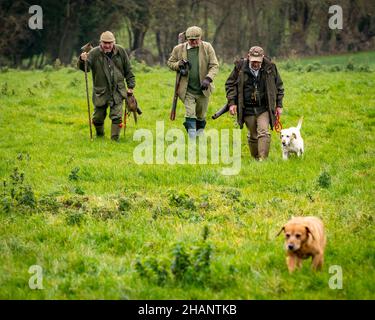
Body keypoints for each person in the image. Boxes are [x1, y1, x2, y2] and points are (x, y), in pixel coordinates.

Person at [225, 46, 284, 160]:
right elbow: (230, 84)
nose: (255, 64)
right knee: (253, 135)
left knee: (263, 132)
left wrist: (279, 105)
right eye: (253, 61)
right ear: (248, 57)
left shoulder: (270, 67)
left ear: (262, 57)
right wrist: (232, 103)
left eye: (258, 61)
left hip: (264, 107)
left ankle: (263, 160)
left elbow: (279, 86)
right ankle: (256, 158)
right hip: (247, 108)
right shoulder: (240, 67)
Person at [78, 31, 135, 141]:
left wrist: (131, 86)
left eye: (110, 43)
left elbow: (128, 70)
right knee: (97, 118)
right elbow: (86, 68)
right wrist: (82, 60)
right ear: (101, 42)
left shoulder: (121, 51)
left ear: (114, 42)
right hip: (101, 91)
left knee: (117, 117)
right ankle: (100, 136)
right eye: (105, 43)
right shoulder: (94, 53)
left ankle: (115, 140)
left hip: (118, 90)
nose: (107, 45)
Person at [167, 26, 219, 138]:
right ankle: (192, 138)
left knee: (201, 115)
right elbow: (170, 62)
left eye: (196, 39)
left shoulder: (207, 47)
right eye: (191, 40)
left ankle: (199, 135)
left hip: (203, 89)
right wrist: (178, 65)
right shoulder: (178, 49)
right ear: (187, 39)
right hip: (186, 89)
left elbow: (214, 66)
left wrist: (208, 79)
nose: (194, 41)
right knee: (190, 113)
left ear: (201, 38)